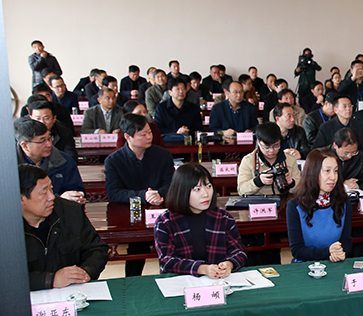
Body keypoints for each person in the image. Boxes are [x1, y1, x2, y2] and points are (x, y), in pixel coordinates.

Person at [105, 114, 175, 275]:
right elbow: (113, 192)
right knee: (137, 247)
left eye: (149, 132)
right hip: (132, 215)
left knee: (172, 242)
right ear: (128, 137)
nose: (149, 137)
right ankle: (131, 282)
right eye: (143, 134)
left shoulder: (163, 155)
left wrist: (159, 194)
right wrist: (144, 196)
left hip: (162, 210)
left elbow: (171, 184)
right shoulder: (114, 161)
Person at [21, 165, 107, 290]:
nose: (51, 197)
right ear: (21, 199)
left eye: (51, 189)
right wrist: (51, 280)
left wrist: (87, 271)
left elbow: (96, 249)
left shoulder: (70, 211)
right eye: (43, 193)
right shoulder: (6, 228)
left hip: (73, 293)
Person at [153, 163, 247, 277]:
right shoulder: (165, 222)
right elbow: (167, 261)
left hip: (218, 280)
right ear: (182, 191)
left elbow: (238, 252)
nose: (206, 194)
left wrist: (229, 264)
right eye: (197, 189)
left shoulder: (224, 218)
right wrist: (202, 269)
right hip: (180, 281)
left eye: (208, 186)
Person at [286, 149, 353, 262]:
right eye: (327, 171)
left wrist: (340, 252)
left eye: (336, 171)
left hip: (335, 262)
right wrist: (328, 252)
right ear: (313, 172)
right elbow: (297, 250)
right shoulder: (295, 205)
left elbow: (346, 241)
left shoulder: (343, 202)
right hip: (305, 265)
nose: (333, 177)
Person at [15, 118, 85, 203]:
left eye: (49, 139)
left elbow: (76, 190)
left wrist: (75, 197)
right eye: (42, 141)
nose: (49, 145)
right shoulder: (9, 166)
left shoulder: (64, 161)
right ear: (25, 145)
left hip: (59, 210)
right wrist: (59, 199)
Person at [237, 123, 301, 196]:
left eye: (276, 146)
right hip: (259, 200)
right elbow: (241, 190)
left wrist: (292, 183)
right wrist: (258, 181)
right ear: (258, 142)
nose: (271, 150)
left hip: (283, 199)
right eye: (266, 147)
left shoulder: (290, 160)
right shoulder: (248, 161)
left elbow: (301, 189)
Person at [154, 77, 201, 141]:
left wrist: (187, 131)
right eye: (177, 89)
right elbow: (158, 129)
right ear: (170, 92)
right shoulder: (161, 108)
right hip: (168, 143)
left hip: (188, 142)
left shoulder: (193, 108)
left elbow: (198, 128)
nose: (181, 91)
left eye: (183, 89)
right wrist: (176, 132)